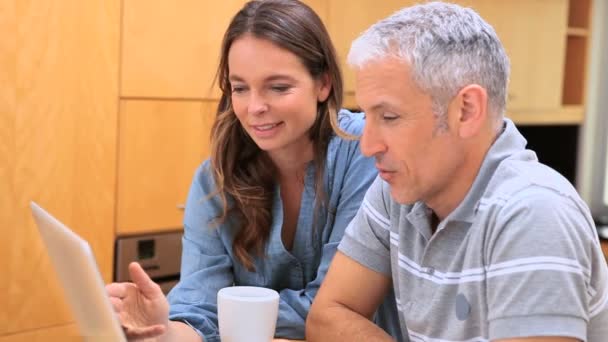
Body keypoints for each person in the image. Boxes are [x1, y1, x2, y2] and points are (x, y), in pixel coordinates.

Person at [307, 2, 608, 342]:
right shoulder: (401, 189)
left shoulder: (534, 214)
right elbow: (327, 316)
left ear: (466, 111)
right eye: (366, 115)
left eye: (389, 117)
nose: (368, 145)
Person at [105, 1, 401, 341]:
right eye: (240, 88)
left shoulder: (365, 150)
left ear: (324, 84)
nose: (255, 108)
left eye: (278, 87)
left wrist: (230, 324)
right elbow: (197, 314)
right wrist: (162, 329)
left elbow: (334, 307)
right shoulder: (215, 179)